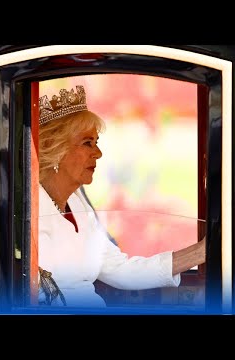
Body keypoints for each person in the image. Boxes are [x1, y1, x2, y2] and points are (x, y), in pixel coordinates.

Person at [37, 86, 206, 308]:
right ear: (55, 148)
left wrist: (201, 251)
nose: (98, 153)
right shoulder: (35, 209)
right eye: (87, 143)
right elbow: (46, 297)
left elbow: (121, 270)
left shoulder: (78, 204)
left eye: (96, 143)